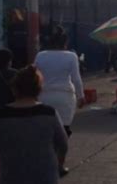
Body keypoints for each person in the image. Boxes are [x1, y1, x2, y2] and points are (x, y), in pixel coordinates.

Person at [0, 65, 68, 184]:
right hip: (45, 175)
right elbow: (63, 144)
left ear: (14, 88)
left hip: (11, 176)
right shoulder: (49, 113)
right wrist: (59, 163)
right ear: (39, 89)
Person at [35, 26, 84, 176]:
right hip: (65, 98)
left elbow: (34, 75)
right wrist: (81, 96)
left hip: (44, 97)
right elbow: (76, 78)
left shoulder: (41, 55)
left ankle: (45, 162)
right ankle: (59, 166)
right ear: (65, 42)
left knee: (46, 132)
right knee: (63, 132)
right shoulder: (71, 56)